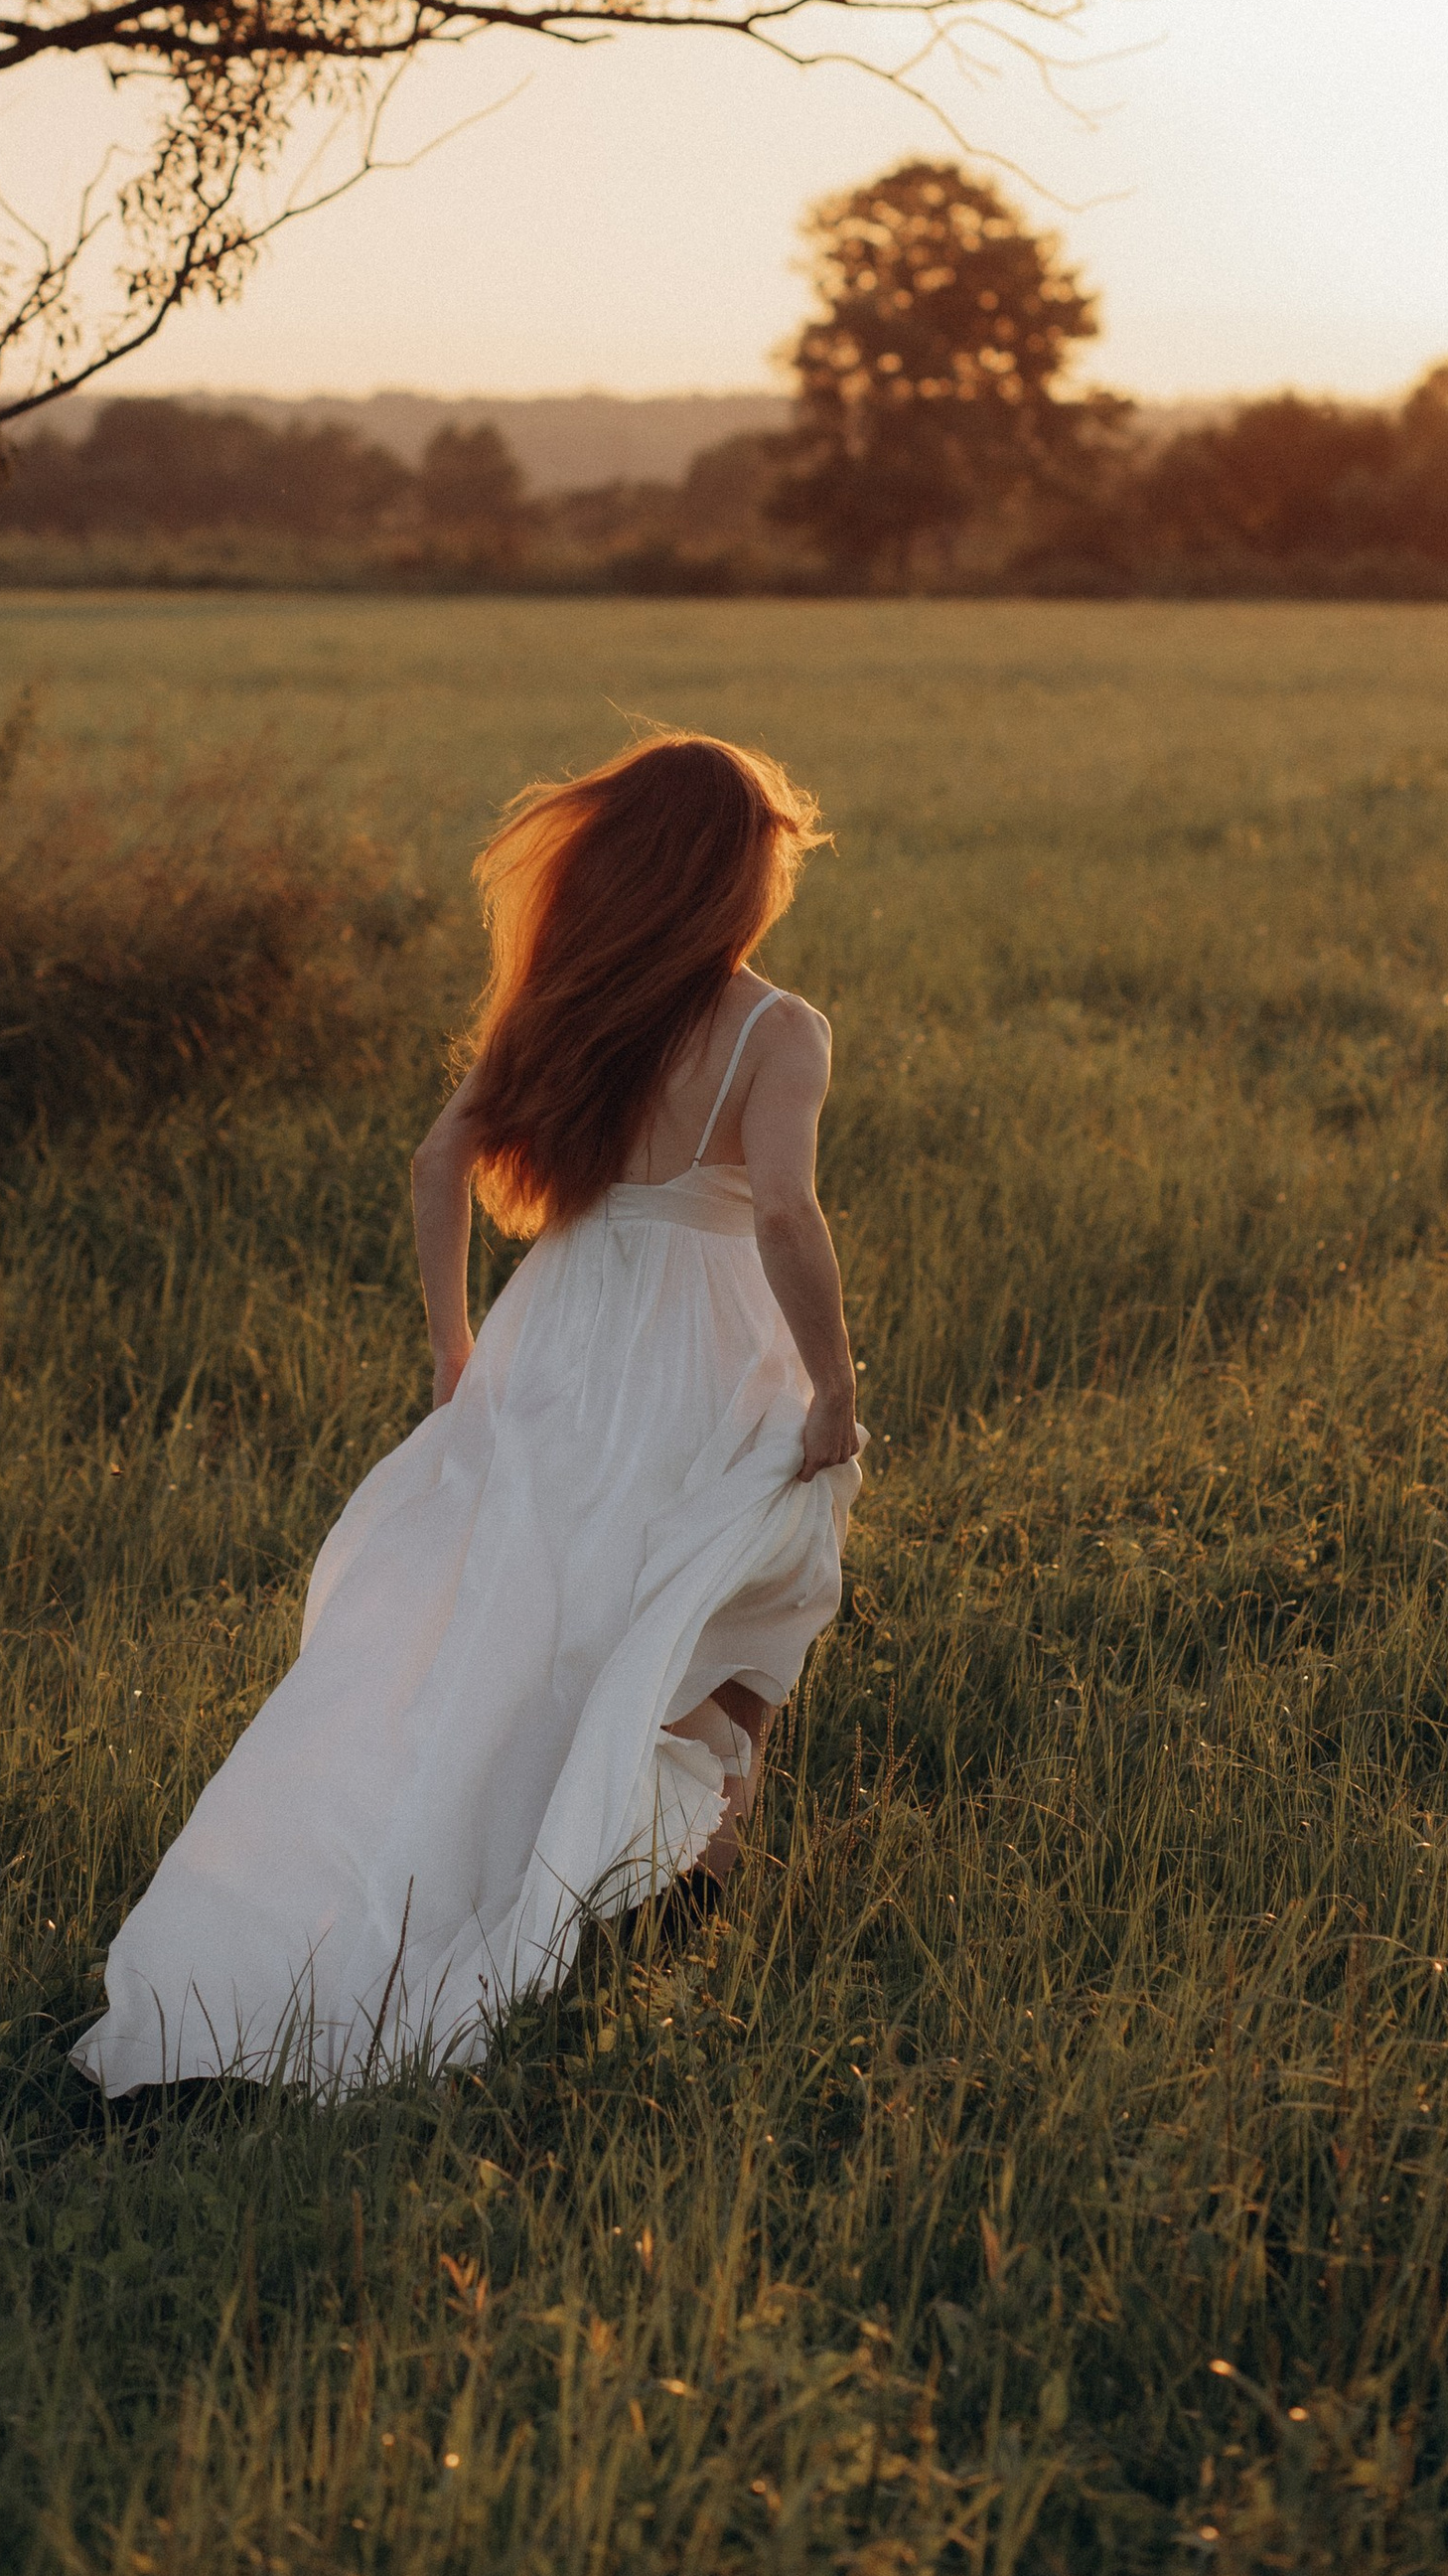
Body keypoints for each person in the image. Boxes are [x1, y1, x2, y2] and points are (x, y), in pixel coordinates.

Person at [71, 730, 866, 2097]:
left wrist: (455, 1347)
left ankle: (586, 1859)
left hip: (554, 1335)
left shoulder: (578, 1004)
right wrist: (838, 1384)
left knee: (536, 1611)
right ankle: (694, 1866)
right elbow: (784, 1210)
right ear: (739, 878)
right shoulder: (777, 1029)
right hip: (708, 1351)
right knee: (731, 1594)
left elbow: (443, 1154)